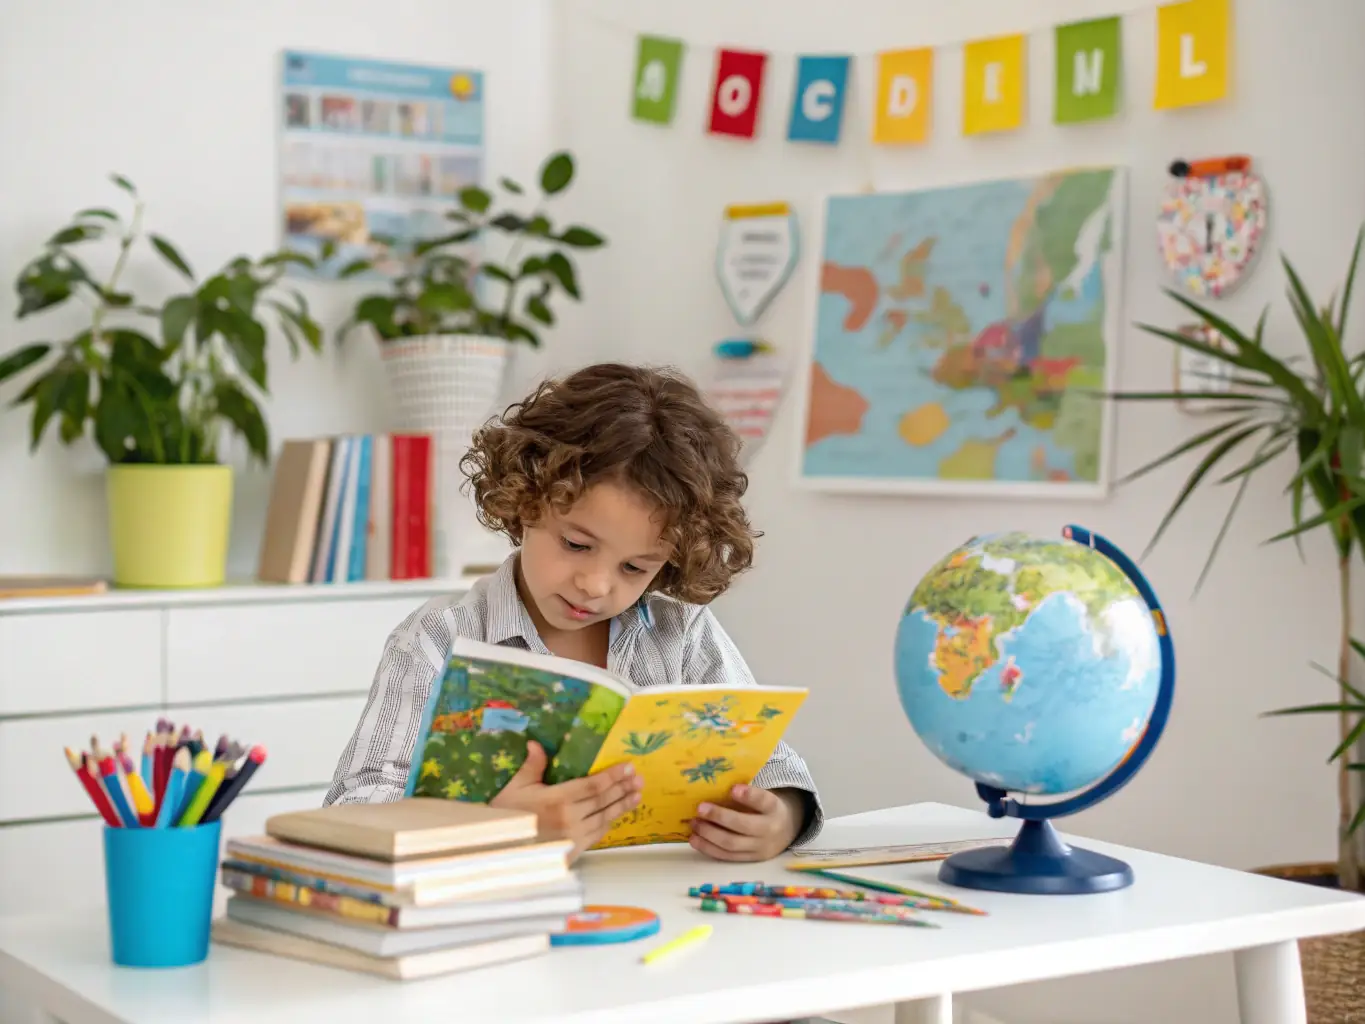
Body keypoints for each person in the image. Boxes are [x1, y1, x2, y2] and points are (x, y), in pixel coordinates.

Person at [323, 362, 823, 862]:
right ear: (526, 498)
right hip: (486, 910)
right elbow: (352, 808)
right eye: (576, 544)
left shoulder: (682, 636)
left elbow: (774, 765)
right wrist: (500, 825)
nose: (596, 585)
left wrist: (781, 817)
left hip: (656, 904)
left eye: (634, 567)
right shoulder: (439, 639)